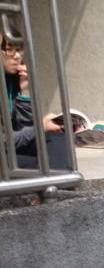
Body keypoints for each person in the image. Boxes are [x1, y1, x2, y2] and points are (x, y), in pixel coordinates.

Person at [2, 28, 72, 170]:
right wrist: (39, 128)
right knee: (47, 164)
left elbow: (24, 131)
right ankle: (56, 178)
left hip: (11, 150)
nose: (17, 56)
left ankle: (54, 178)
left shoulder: (13, 79)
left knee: (56, 138)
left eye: (19, 50)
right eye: (10, 50)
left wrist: (25, 91)